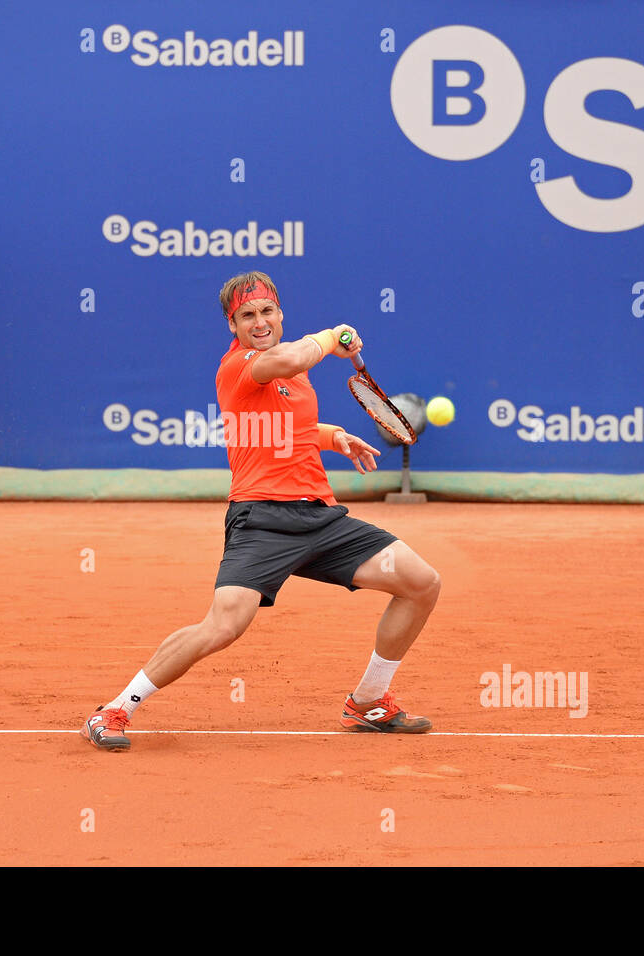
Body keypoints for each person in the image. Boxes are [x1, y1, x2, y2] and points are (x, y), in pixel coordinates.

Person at [82, 271, 442, 751]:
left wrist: (333, 437)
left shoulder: (293, 371)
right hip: (261, 520)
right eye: (247, 315)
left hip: (321, 519)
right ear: (232, 325)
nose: (259, 321)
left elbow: (291, 427)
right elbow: (292, 355)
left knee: (421, 583)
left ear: (280, 314)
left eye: (267, 311)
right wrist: (333, 336)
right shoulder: (241, 367)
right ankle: (115, 709)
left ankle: (367, 702)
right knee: (224, 625)